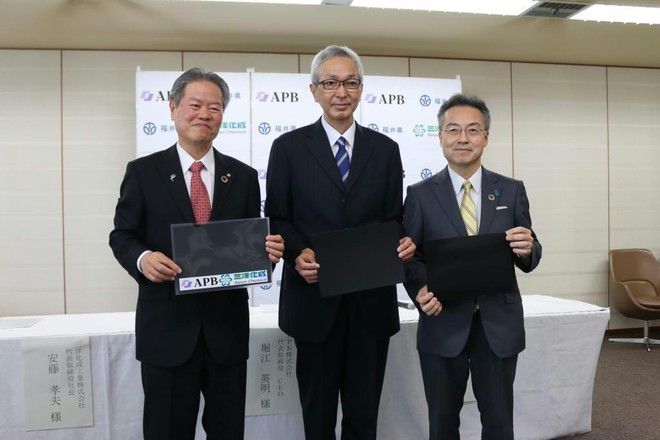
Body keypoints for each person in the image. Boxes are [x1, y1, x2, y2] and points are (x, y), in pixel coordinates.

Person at [109, 68, 284, 440]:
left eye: (215, 107)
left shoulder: (243, 176)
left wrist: (266, 255)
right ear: (173, 108)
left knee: (227, 431)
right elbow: (122, 235)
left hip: (226, 332)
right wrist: (142, 259)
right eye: (195, 105)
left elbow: (249, 245)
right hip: (166, 330)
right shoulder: (143, 172)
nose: (205, 114)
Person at [264, 45, 416, 440]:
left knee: (364, 415)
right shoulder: (288, 148)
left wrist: (402, 241)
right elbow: (277, 217)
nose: (341, 92)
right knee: (317, 414)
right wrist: (297, 253)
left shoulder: (385, 150)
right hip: (313, 302)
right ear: (314, 90)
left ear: (361, 89)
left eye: (350, 83)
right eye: (330, 83)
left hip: (371, 302)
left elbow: (393, 218)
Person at [403, 94, 542, 440]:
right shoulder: (419, 195)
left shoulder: (511, 190)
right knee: (442, 424)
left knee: (499, 424)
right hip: (442, 322)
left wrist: (528, 248)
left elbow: (529, 252)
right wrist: (420, 289)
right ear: (440, 137)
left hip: (497, 325)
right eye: (453, 130)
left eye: (473, 130)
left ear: (486, 137)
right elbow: (410, 257)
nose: (462, 138)